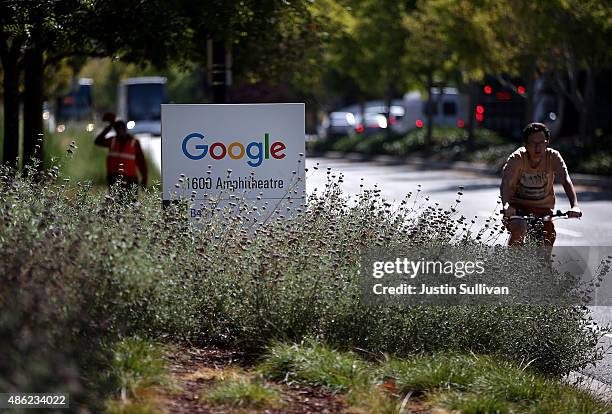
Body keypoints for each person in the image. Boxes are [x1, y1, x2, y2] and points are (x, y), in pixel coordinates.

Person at [500, 122, 582, 246]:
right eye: (533, 143)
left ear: (547, 143)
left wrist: (574, 206)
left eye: (542, 143)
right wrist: (506, 205)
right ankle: (512, 263)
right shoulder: (517, 158)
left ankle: (544, 265)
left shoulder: (553, 157)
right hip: (517, 209)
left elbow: (565, 180)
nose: (537, 147)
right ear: (526, 145)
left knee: (548, 237)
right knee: (520, 228)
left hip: (542, 210)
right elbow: (506, 182)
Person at [95, 112, 148, 190]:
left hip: (130, 179)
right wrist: (109, 127)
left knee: (131, 201)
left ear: (124, 129)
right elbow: (98, 141)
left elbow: (141, 162)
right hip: (114, 178)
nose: (119, 131)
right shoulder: (112, 140)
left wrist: (144, 178)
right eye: (117, 129)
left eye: (120, 128)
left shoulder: (134, 142)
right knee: (115, 201)